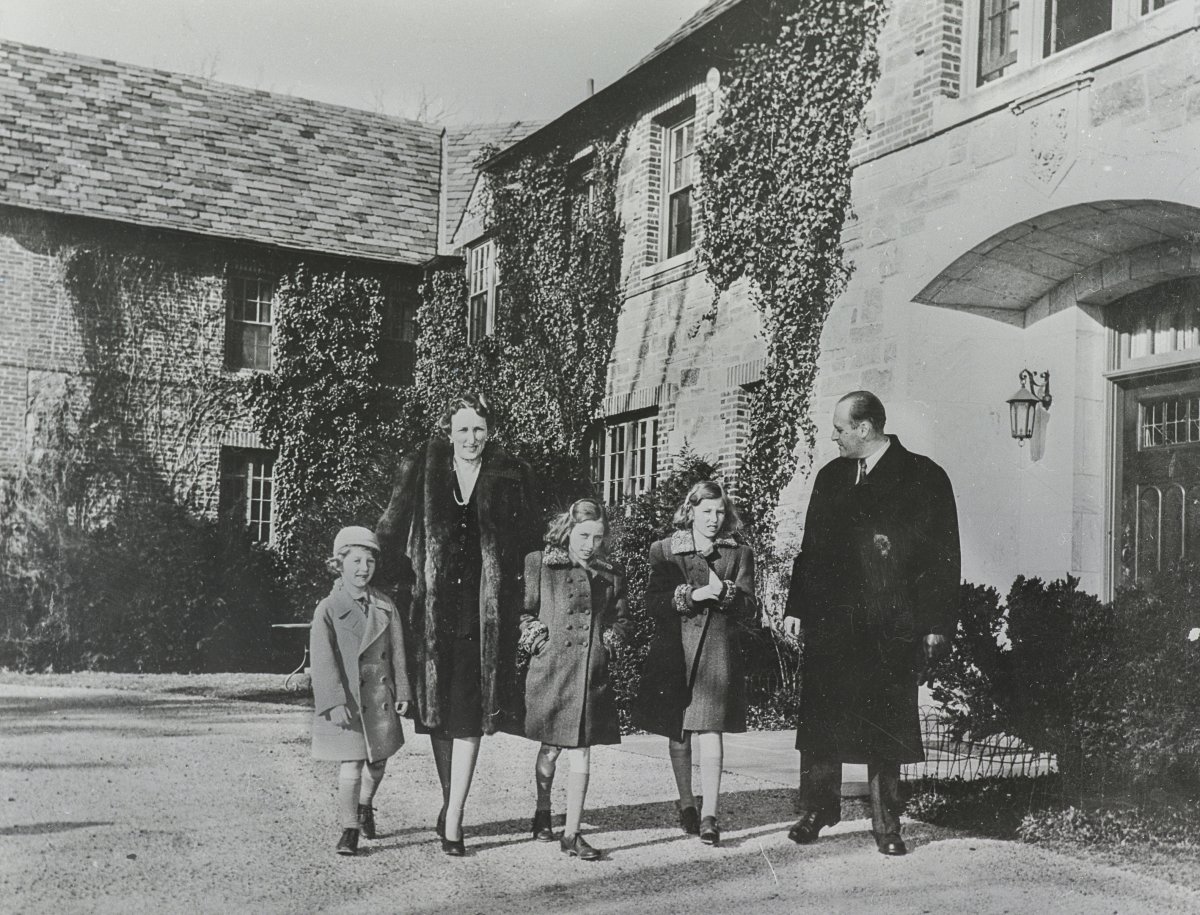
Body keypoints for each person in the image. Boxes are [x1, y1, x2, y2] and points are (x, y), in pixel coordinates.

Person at [783, 390, 960, 856]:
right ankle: (819, 809)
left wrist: (936, 623)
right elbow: (811, 550)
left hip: (889, 624)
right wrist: (797, 606)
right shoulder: (830, 477)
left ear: (865, 428)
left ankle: (887, 824)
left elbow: (944, 558)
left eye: (840, 428)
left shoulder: (924, 476)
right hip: (831, 623)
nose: (834, 436)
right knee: (822, 718)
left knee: (885, 722)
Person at [376, 392, 538, 856]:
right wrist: (369, 575)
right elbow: (390, 530)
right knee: (438, 717)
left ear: (491, 433)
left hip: (485, 616)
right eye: (462, 429)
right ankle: (451, 804)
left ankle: (456, 817)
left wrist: (525, 598)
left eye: (479, 430)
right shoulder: (423, 470)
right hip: (430, 612)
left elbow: (529, 543)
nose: (471, 438)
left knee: (469, 713)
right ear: (449, 433)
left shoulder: (511, 474)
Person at [633, 480, 756, 847]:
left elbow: (750, 606)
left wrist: (729, 594)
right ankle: (687, 802)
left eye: (720, 511)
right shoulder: (666, 550)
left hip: (716, 651)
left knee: (712, 731)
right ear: (690, 511)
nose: (714, 519)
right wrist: (692, 594)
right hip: (676, 653)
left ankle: (710, 815)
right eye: (706, 511)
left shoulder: (739, 553)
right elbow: (652, 603)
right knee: (679, 731)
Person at [520, 498, 630, 861]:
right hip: (552, 670)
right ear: (568, 530)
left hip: (589, 674)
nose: (589, 544)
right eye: (583, 535)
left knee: (582, 751)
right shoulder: (540, 564)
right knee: (550, 748)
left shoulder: (611, 574)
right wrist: (538, 640)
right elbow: (523, 612)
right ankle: (542, 809)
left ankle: (572, 833)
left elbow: (620, 620)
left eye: (597, 537)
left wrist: (606, 644)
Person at [309, 526, 412, 857]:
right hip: (350, 701)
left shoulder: (385, 605)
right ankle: (349, 828)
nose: (363, 568)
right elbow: (323, 660)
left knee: (378, 762)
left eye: (369, 561)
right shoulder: (328, 608)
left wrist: (403, 691)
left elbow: (398, 652)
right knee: (351, 764)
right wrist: (334, 701)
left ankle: (366, 804)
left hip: (378, 698)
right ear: (338, 564)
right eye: (355, 561)